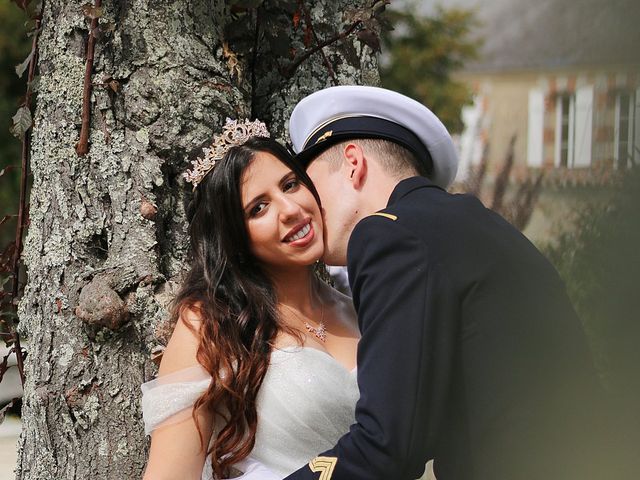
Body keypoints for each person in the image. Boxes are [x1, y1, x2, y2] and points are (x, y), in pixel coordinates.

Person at [284, 85, 604, 480]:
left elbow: (387, 445)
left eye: (308, 187)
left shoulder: (388, 235)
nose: (304, 209)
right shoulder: (486, 227)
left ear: (353, 162)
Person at [141, 119, 360, 479]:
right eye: (258, 208)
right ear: (234, 238)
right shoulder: (211, 325)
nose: (290, 210)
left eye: (291, 185)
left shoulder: (362, 309)